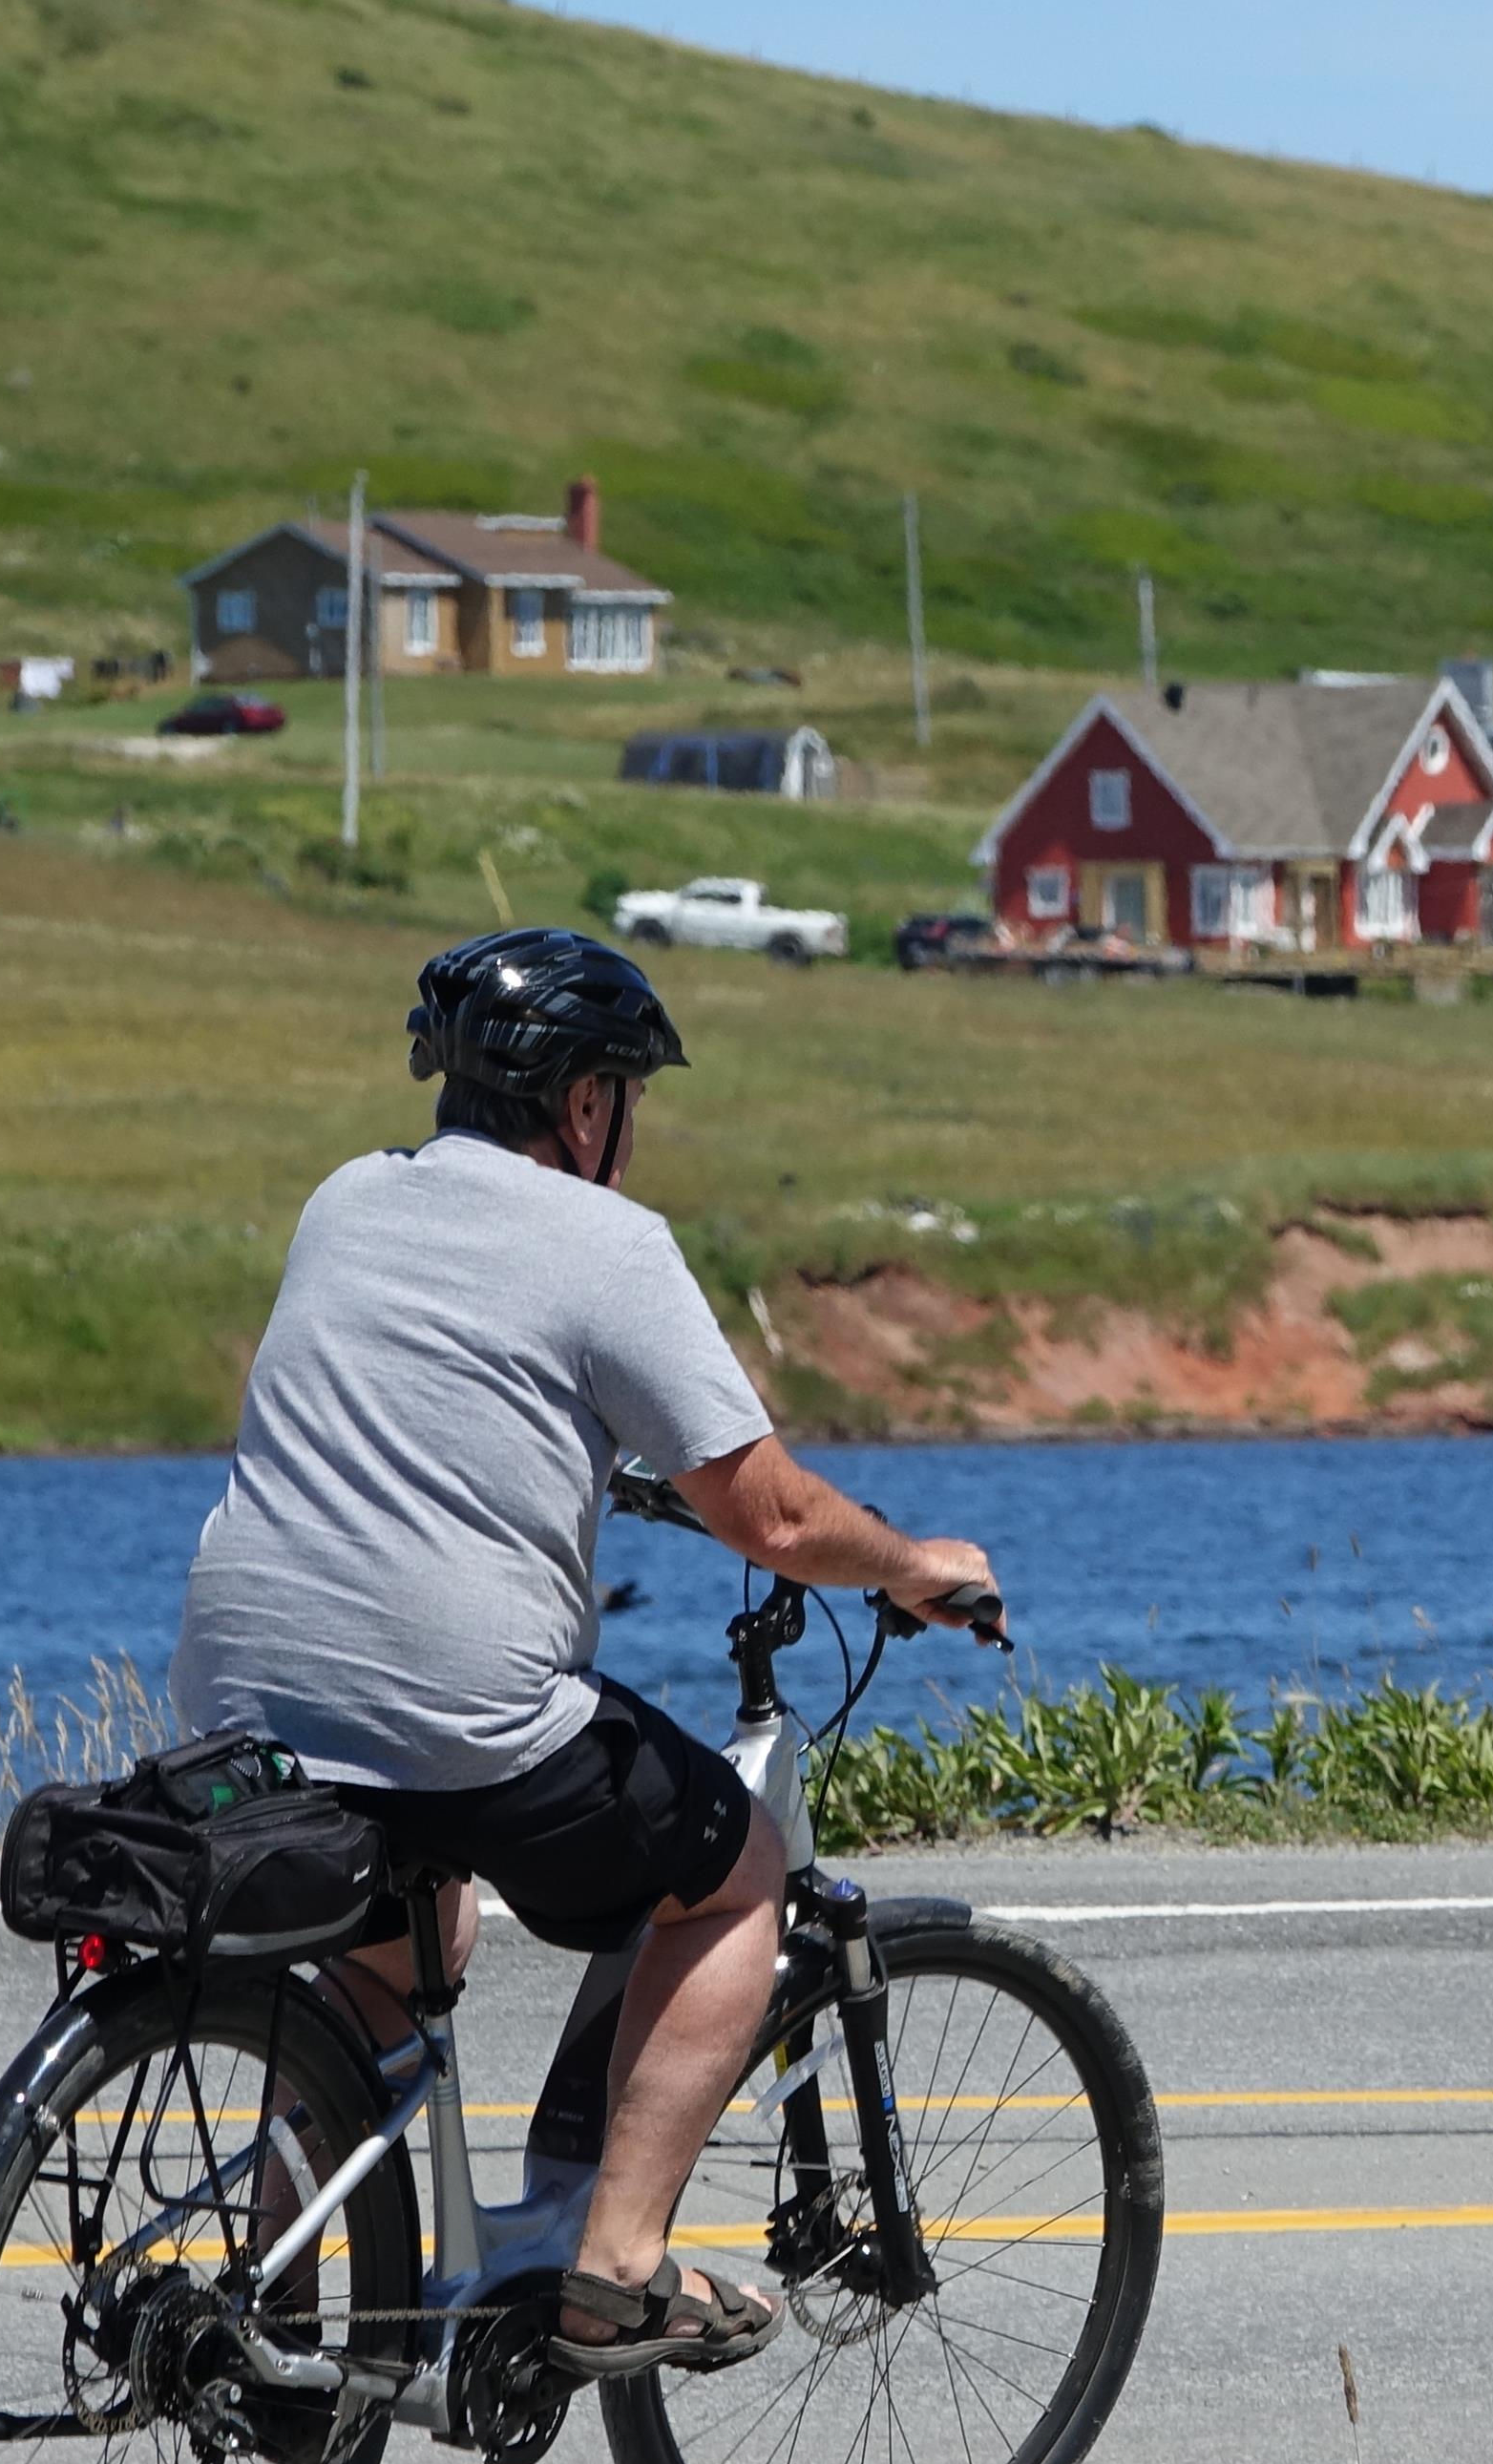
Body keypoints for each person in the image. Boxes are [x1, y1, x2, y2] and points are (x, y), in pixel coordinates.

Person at [169, 931, 1005, 2378]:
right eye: (626, 1093)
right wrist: (916, 1566)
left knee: (404, 1954)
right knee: (735, 1873)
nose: (629, 1123)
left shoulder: (348, 1198)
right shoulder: (612, 1246)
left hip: (239, 1701)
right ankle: (616, 2263)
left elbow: (428, 1393)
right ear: (581, 1107)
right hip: (454, 1722)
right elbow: (779, 1517)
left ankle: (284, 2333)